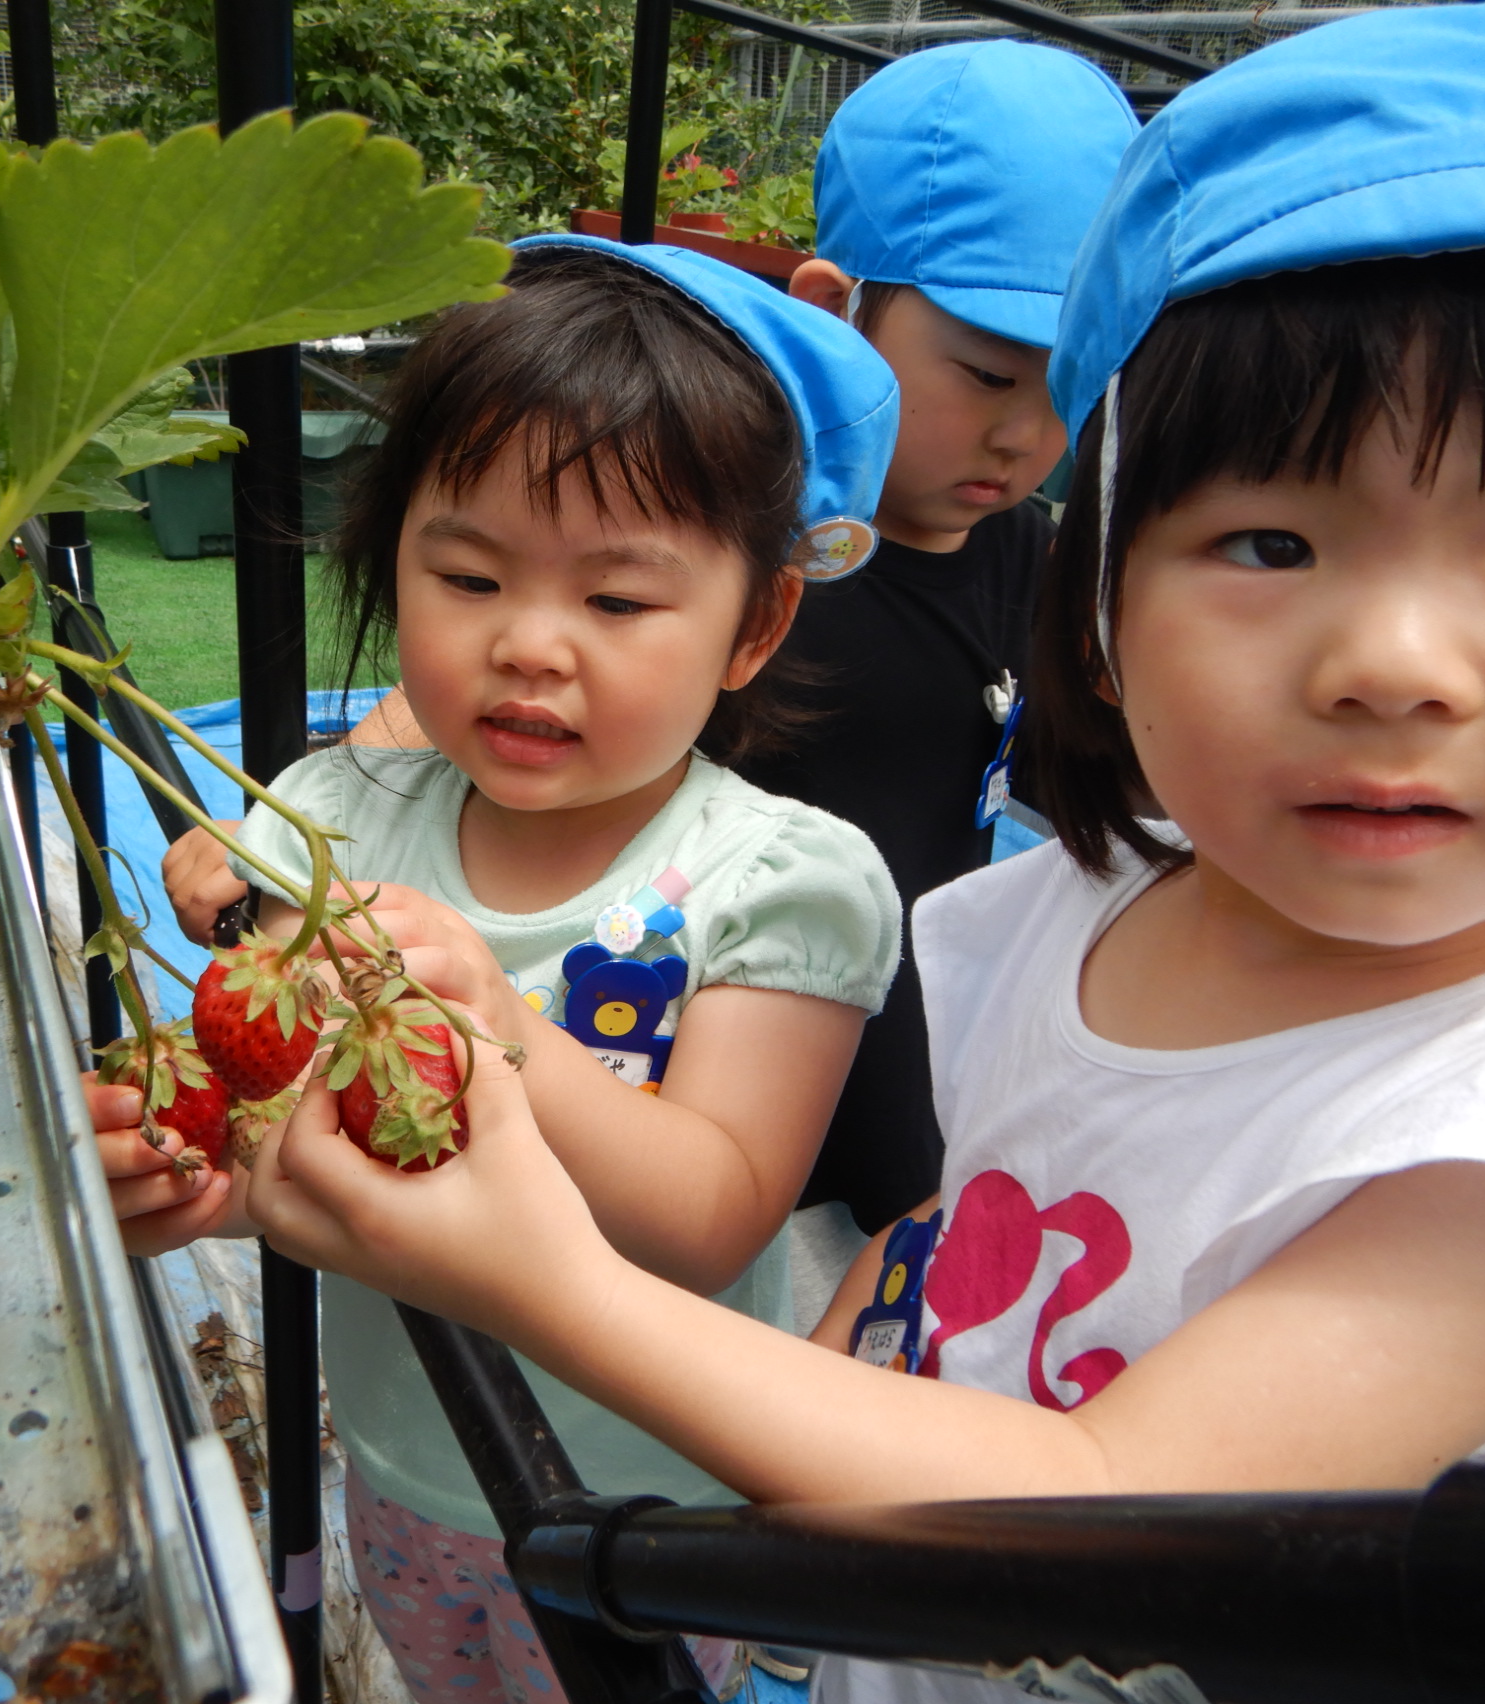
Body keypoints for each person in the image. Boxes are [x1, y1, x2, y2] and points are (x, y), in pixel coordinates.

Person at [239, 3, 1485, 1699]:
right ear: (1100, 594)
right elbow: (960, 1232)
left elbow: (1101, 1518)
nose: (1387, 660)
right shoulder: (1082, 907)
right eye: (1268, 538)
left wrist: (530, 1269)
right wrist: (842, 1339)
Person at [121, 235, 904, 1703]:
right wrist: (190, 1167)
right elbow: (293, 1132)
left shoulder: (781, 882)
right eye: (469, 573)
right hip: (411, 1461)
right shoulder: (333, 824)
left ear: (760, 622)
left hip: (649, 1497)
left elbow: (712, 1214)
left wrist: (507, 1036)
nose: (531, 646)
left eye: (617, 603)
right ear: (390, 557)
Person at [740, 44, 1139, 1253]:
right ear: (830, 310)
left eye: (1071, 383)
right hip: (719, 1048)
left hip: (906, 1044)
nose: (1028, 435)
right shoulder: (733, 540)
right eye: (982, 374)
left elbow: (1070, 771)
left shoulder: (1028, 553)